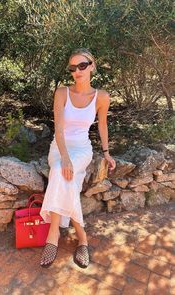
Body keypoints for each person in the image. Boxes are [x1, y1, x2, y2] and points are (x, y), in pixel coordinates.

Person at [39, 48, 116, 268]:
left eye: (82, 65)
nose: (77, 71)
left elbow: (102, 125)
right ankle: (81, 238)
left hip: (82, 149)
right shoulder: (62, 92)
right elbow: (59, 131)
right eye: (73, 68)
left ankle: (53, 237)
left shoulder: (101, 97)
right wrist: (64, 157)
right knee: (62, 174)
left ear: (92, 66)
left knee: (64, 176)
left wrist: (107, 152)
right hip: (60, 147)